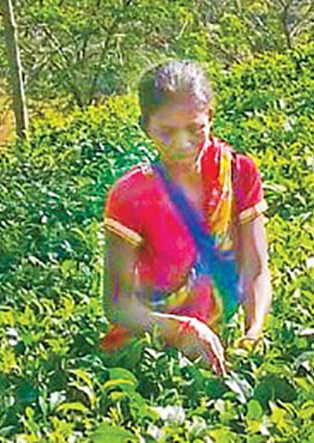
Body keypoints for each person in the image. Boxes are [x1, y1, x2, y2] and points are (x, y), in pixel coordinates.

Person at [99, 60, 270, 376]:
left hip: (222, 342)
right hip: (152, 351)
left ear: (210, 118)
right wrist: (179, 329)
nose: (182, 144)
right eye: (166, 132)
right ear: (145, 127)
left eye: (195, 129)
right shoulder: (131, 195)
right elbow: (118, 305)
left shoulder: (239, 173)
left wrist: (252, 333)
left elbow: (256, 267)